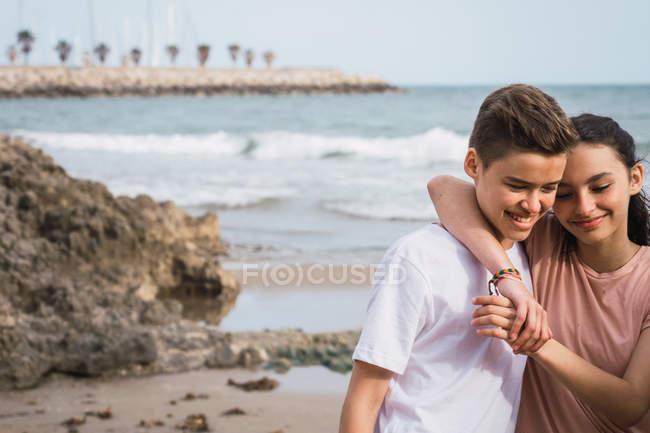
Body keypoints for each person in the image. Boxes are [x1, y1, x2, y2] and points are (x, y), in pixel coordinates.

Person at [338, 84, 577, 433]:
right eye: (517, 185)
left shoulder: (532, 250)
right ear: (473, 165)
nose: (533, 204)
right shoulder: (417, 258)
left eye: (549, 188)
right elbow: (365, 393)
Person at [427, 113, 650, 431]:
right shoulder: (542, 238)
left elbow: (631, 404)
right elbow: (443, 188)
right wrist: (508, 277)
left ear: (635, 178)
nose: (584, 207)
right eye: (564, 194)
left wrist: (535, 341)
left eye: (600, 187)